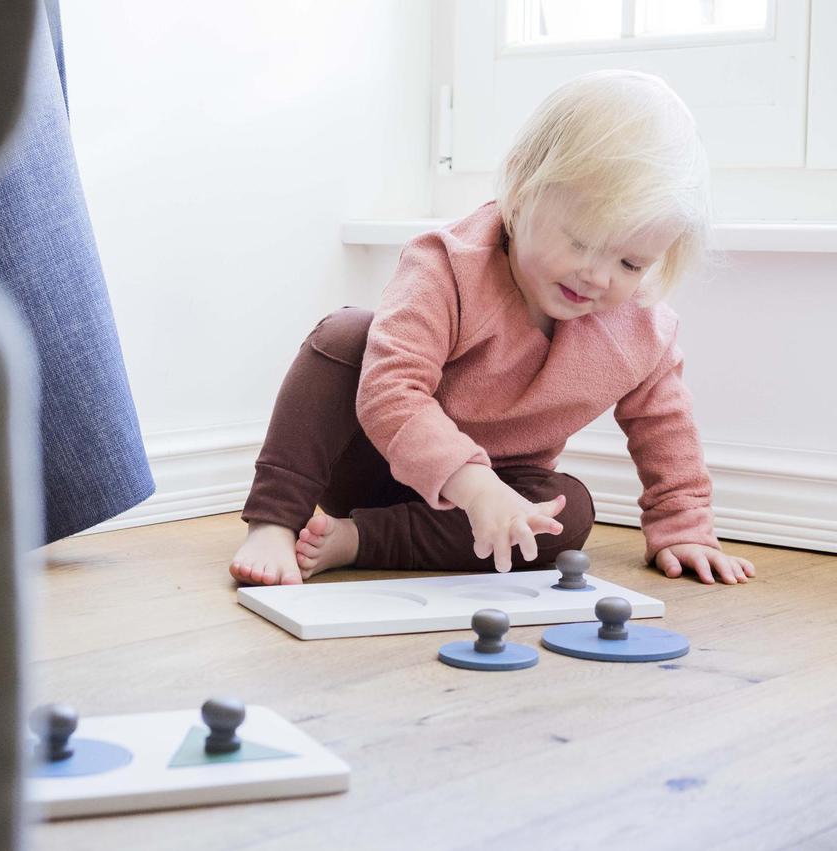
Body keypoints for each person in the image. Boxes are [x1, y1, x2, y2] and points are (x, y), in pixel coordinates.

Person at [229, 69, 756, 587]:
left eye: (631, 264)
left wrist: (684, 527)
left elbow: (665, 424)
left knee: (565, 515)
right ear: (522, 191)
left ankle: (358, 541)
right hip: (379, 462)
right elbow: (391, 393)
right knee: (345, 335)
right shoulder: (446, 267)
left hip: (495, 493)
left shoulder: (640, 328)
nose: (597, 276)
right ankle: (275, 523)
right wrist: (472, 484)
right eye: (580, 242)